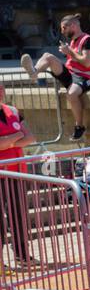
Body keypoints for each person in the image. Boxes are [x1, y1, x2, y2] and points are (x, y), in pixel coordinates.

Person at [21, 13, 90, 141]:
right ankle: (34, 73)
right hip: (72, 75)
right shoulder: (73, 41)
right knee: (48, 56)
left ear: (73, 25)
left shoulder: (88, 40)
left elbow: (87, 62)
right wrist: (68, 51)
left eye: (64, 28)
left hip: (87, 77)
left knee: (72, 93)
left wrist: (69, 52)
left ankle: (79, 126)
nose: (62, 31)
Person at [0, 85, 37, 268]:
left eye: (0, 88)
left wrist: (8, 141)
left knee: (18, 215)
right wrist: (16, 136)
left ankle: (22, 255)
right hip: (1, 173)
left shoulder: (13, 111)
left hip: (17, 172)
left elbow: (30, 137)